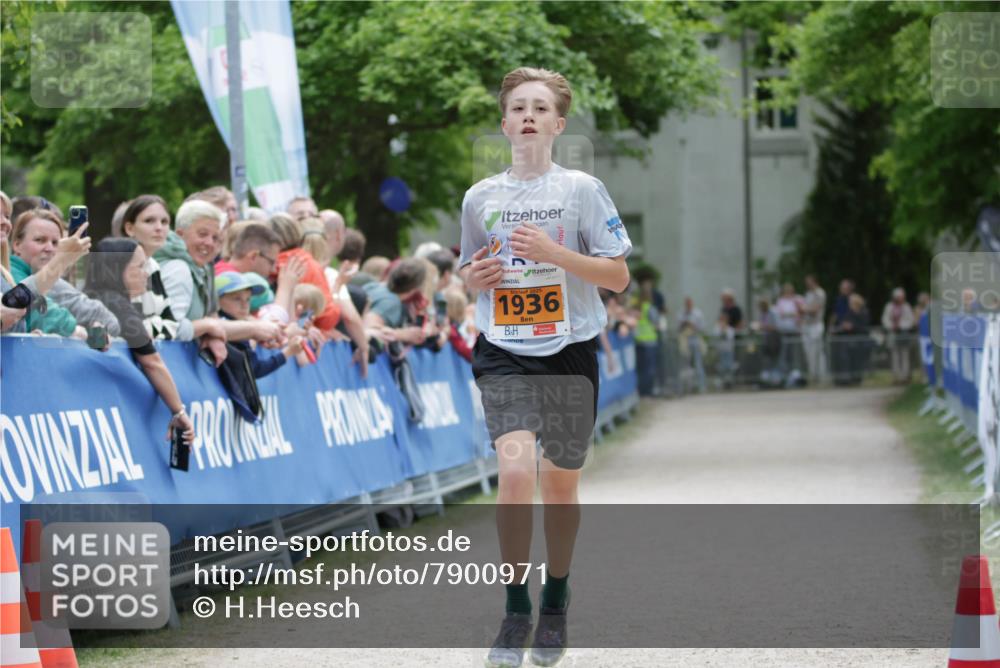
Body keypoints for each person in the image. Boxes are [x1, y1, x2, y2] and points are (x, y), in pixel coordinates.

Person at [459, 67, 631, 668]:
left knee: (559, 484)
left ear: (558, 124)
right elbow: (468, 273)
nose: (528, 116)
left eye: (540, 108)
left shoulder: (582, 190)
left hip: (569, 349)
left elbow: (617, 275)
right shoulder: (480, 197)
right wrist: (473, 278)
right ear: (504, 122)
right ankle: (514, 611)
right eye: (517, 107)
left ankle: (555, 597)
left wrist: (556, 254)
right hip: (503, 346)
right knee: (513, 474)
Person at [84, 238, 194, 444]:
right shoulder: (118, 307)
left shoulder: (91, 296)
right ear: (117, 269)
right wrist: (179, 412)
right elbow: (152, 362)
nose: (146, 274)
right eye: (140, 266)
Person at [122, 195, 227, 343]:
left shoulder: (153, 265)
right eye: (149, 221)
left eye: (164, 222)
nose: (159, 227)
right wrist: (207, 326)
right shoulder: (177, 268)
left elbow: (168, 325)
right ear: (129, 228)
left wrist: (212, 333)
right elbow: (101, 323)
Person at [9, 208, 117, 334]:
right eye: (40, 240)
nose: (49, 248)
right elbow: (44, 314)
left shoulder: (46, 278)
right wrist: (79, 332)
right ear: (17, 245)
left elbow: (107, 322)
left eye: (55, 243)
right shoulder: (10, 274)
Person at [881, 287, 915, 384]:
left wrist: (901, 326)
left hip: (903, 333)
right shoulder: (889, 307)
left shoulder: (906, 306)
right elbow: (885, 319)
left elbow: (911, 320)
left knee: (904, 355)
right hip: (893, 333)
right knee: (894, 355)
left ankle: (905, 376)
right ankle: (896, 376)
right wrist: (892, 326)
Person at [800, 275, 827, 384]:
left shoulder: (819, 293)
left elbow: (815, 309)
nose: (807, 284)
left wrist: (803, 309)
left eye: (809, 282)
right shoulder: (808, 294)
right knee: (808, 352)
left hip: (816, 325)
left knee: (817, 352)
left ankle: (822, 376)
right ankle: (813, 376)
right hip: (807, 325)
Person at [678, 296, 706, 393]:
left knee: (698, 363)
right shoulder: (682, 313)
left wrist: (693, 325)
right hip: (685, 340)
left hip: (695, 338)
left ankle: (701, 386)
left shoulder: (697, 313)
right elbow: (678, 327)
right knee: (686, 365)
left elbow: (702, 327)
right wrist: (684, 323)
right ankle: (687, 387)